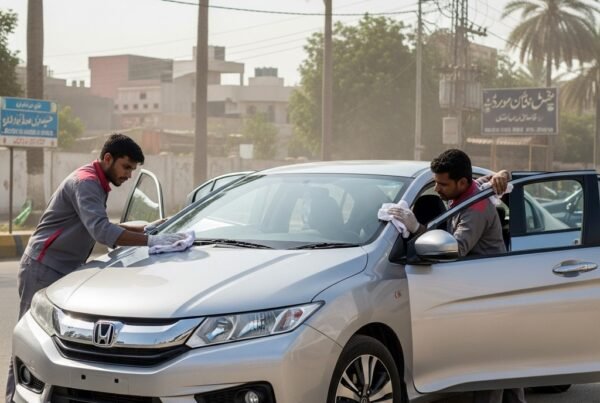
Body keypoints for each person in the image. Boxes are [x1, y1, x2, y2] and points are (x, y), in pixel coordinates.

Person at [5, 133, 187, 403]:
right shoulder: (87, 183)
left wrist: (149, 228)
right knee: (30, 345)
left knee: (57, 346)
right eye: (126, 167)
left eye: (133, 170)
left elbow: (100, 224)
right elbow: (102, 232)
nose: (128, 175)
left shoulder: (96, 182)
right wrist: (152, 242)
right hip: (43, 267)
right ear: (107, 159)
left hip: (64, 271)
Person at [390, 149, 526, 403]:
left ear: (461, 182)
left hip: (488, 292)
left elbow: (455, 248)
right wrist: (502, 174)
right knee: (504, 368)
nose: (437, 189)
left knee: (490, 369)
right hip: (483, 287)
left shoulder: (475, 207)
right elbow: (492, 180)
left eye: (442, 184)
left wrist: (415, 228)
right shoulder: (472, 189)